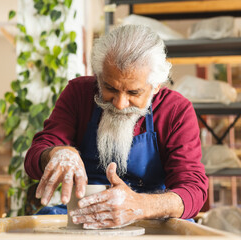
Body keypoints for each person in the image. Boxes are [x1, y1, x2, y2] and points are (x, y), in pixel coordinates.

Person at [24, 24, 208, 229]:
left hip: (151, 216)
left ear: (156, 85)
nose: (120, 104)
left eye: (134, 93)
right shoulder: (79, 93)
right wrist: (56, 153)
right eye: (109, 88)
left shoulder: (176, 110)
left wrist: (140, 205)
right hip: (82, 214)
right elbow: (35, 156)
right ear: (99, 76)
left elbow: (193, 190)